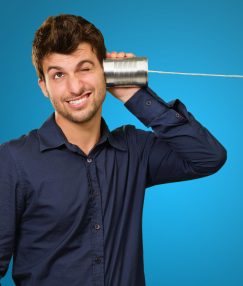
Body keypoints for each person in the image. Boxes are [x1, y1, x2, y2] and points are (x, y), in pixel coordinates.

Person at [0, 14, 226, 286]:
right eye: (58, 74)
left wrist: (134, 93)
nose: (75, 87)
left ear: (105, 72)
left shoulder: (134, 149)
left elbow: (208, 157)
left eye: (85, 68)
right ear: (44, 87)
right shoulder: (13, 160)